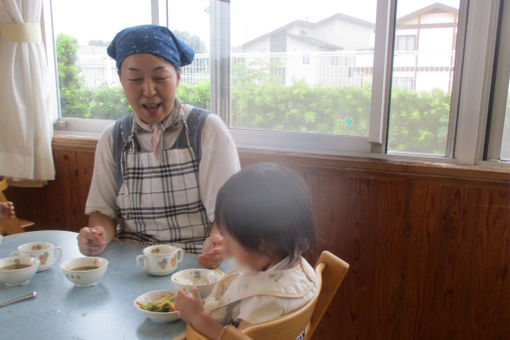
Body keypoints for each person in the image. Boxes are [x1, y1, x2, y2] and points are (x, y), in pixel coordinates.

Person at [78, 25, 240, 267]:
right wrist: (97, 236)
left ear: (177, 77)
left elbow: (226, 214)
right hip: (134, 263)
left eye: (160, 78)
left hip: (196, 261)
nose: (149, 90)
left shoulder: (206, 130)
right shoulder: (113, 138)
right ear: (121, 80)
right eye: (134, 79)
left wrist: (217, 240)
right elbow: (102, 212)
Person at [176, 163, 317, 339]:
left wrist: (198, 317)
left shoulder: (264, 301)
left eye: (229, 236)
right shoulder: (298, 266)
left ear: (259, 242)